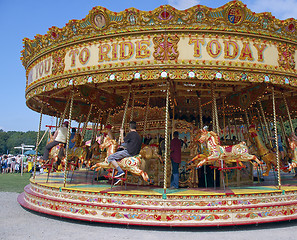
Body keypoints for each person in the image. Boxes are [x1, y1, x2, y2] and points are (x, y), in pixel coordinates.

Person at [108, 121, 142, 186]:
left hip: (129, 152)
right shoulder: (138, 136)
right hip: (135, 153)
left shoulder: (131, 134)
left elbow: (122, 141)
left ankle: (120, 171)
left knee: (110, 157)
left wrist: (121, 132)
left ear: (129, 127)